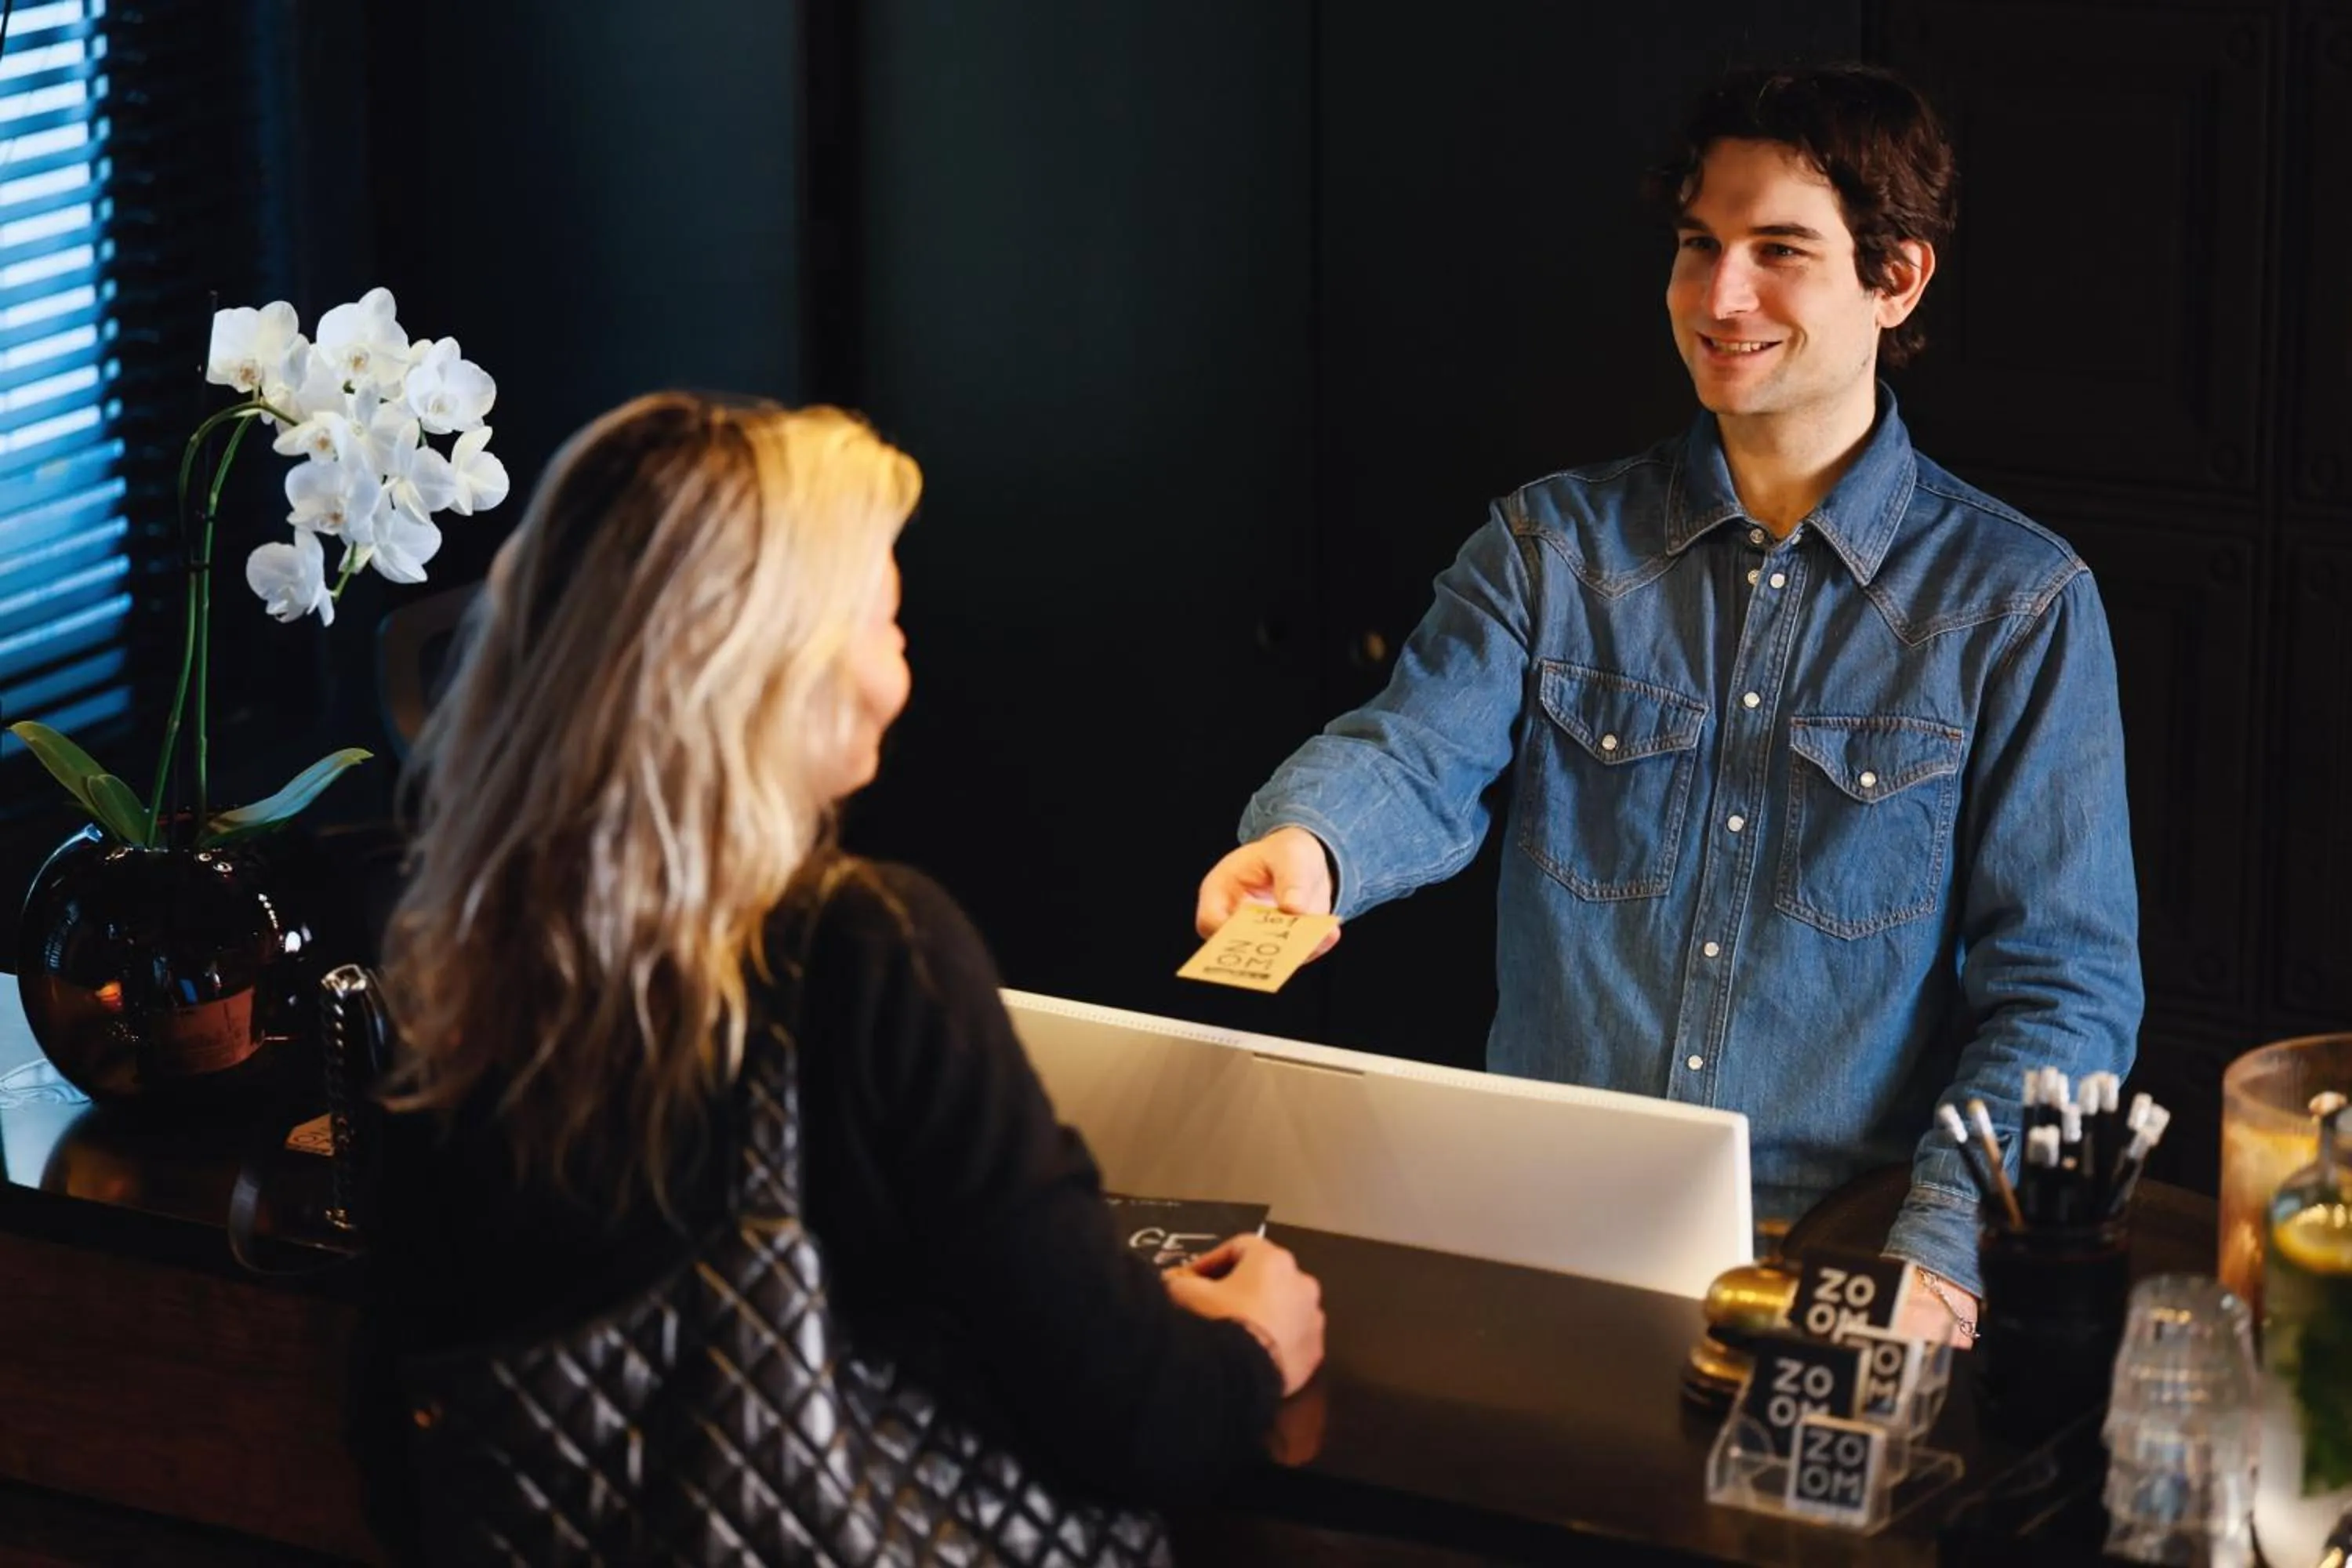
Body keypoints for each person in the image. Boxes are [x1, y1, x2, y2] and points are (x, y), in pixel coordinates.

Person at [1195, 64, 2140, 1345]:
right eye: (1699, 245)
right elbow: (1414, 750)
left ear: (1897, 278)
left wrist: (1943, 1254)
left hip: (1843, 1256)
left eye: (1780, 250)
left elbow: (2064, 989)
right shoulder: (1550, 545)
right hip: (1540, 1224)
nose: (1719, 296)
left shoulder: (2019, 604)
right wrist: (1306, 848)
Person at [364, 393, 1323, 1554]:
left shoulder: (451, 961)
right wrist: (1254, 1343)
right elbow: (1130, 1415)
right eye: (881, 615)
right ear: (774, 669)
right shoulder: (868, 951)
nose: (901, 653)